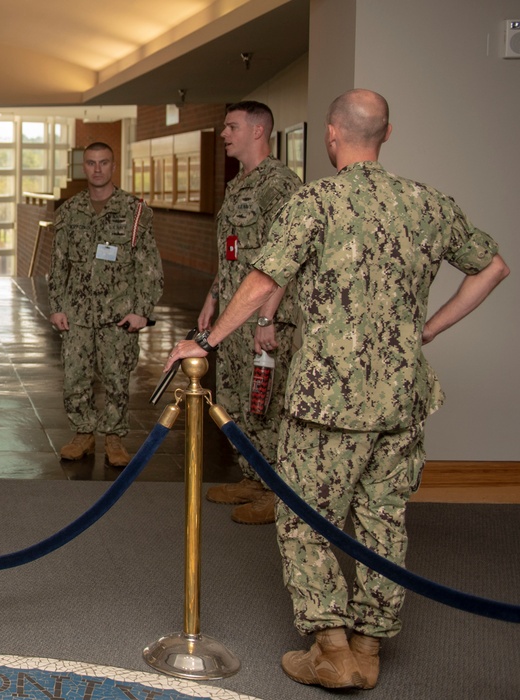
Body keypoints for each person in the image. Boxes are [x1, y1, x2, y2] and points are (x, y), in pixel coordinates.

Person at [165, 89, 509, 690]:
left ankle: (331, 648)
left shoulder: (317, 201)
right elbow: (493, 266)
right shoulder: (426, 202)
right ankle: (370, 647)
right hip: (402, 396)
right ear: (387, 134)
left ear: (331, 136)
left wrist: (208, 339)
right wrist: (425, 331)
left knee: (305, 518)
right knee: (383, 518)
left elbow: (261, 280)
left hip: (329, 399)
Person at [200, 102, 302, 525]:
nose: (224, 133)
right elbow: (234, 253)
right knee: (238, 399)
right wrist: (212, 299)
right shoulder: (240, 182)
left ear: (258, 131)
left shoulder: (279, 185)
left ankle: (276, 491)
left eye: (231, 126)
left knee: (267, 403)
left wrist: (266, 319)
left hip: (263, 319)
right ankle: (252, 477)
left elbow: (287, 259)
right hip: (236, 315)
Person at [48, 142, 163, 467]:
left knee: (116, 377)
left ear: (113, 166)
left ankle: (113, 437)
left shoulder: (135, 210)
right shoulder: (70, 212)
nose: (97, 169)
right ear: (83, 167)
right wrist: (57, 305)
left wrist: (142, 310)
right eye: (91, 163)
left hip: (118, 314)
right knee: (75, 378)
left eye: (103, 163)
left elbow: (149, 266)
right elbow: (58, 265)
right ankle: (83, 433)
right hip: (77, 313)